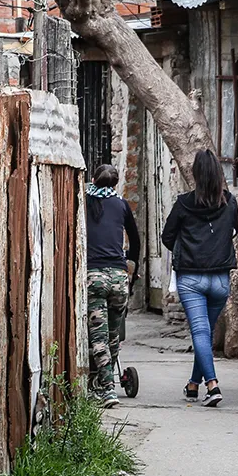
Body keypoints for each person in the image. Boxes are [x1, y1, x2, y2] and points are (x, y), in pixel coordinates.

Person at [162, 149, 238, 408]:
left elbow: (167, 236)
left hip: (191, 279)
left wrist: (186, 250)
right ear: (218, 173)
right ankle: (193, 384)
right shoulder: (230, 202)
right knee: (204, 333)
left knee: (200, 332)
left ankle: (212, 385)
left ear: (195, 174)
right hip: (220, 280)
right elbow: (234, 231)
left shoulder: (183, 203)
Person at [85, 164, 140, 409]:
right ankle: (103, 383)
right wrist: (133, 266)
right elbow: (135, 240)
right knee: (113, 335)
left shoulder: (83, 202)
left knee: (98, 336)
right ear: (116, 184)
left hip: (94, 277)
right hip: (119, 278)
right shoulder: (121, 204)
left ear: (93, 179)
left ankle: (106, 388)